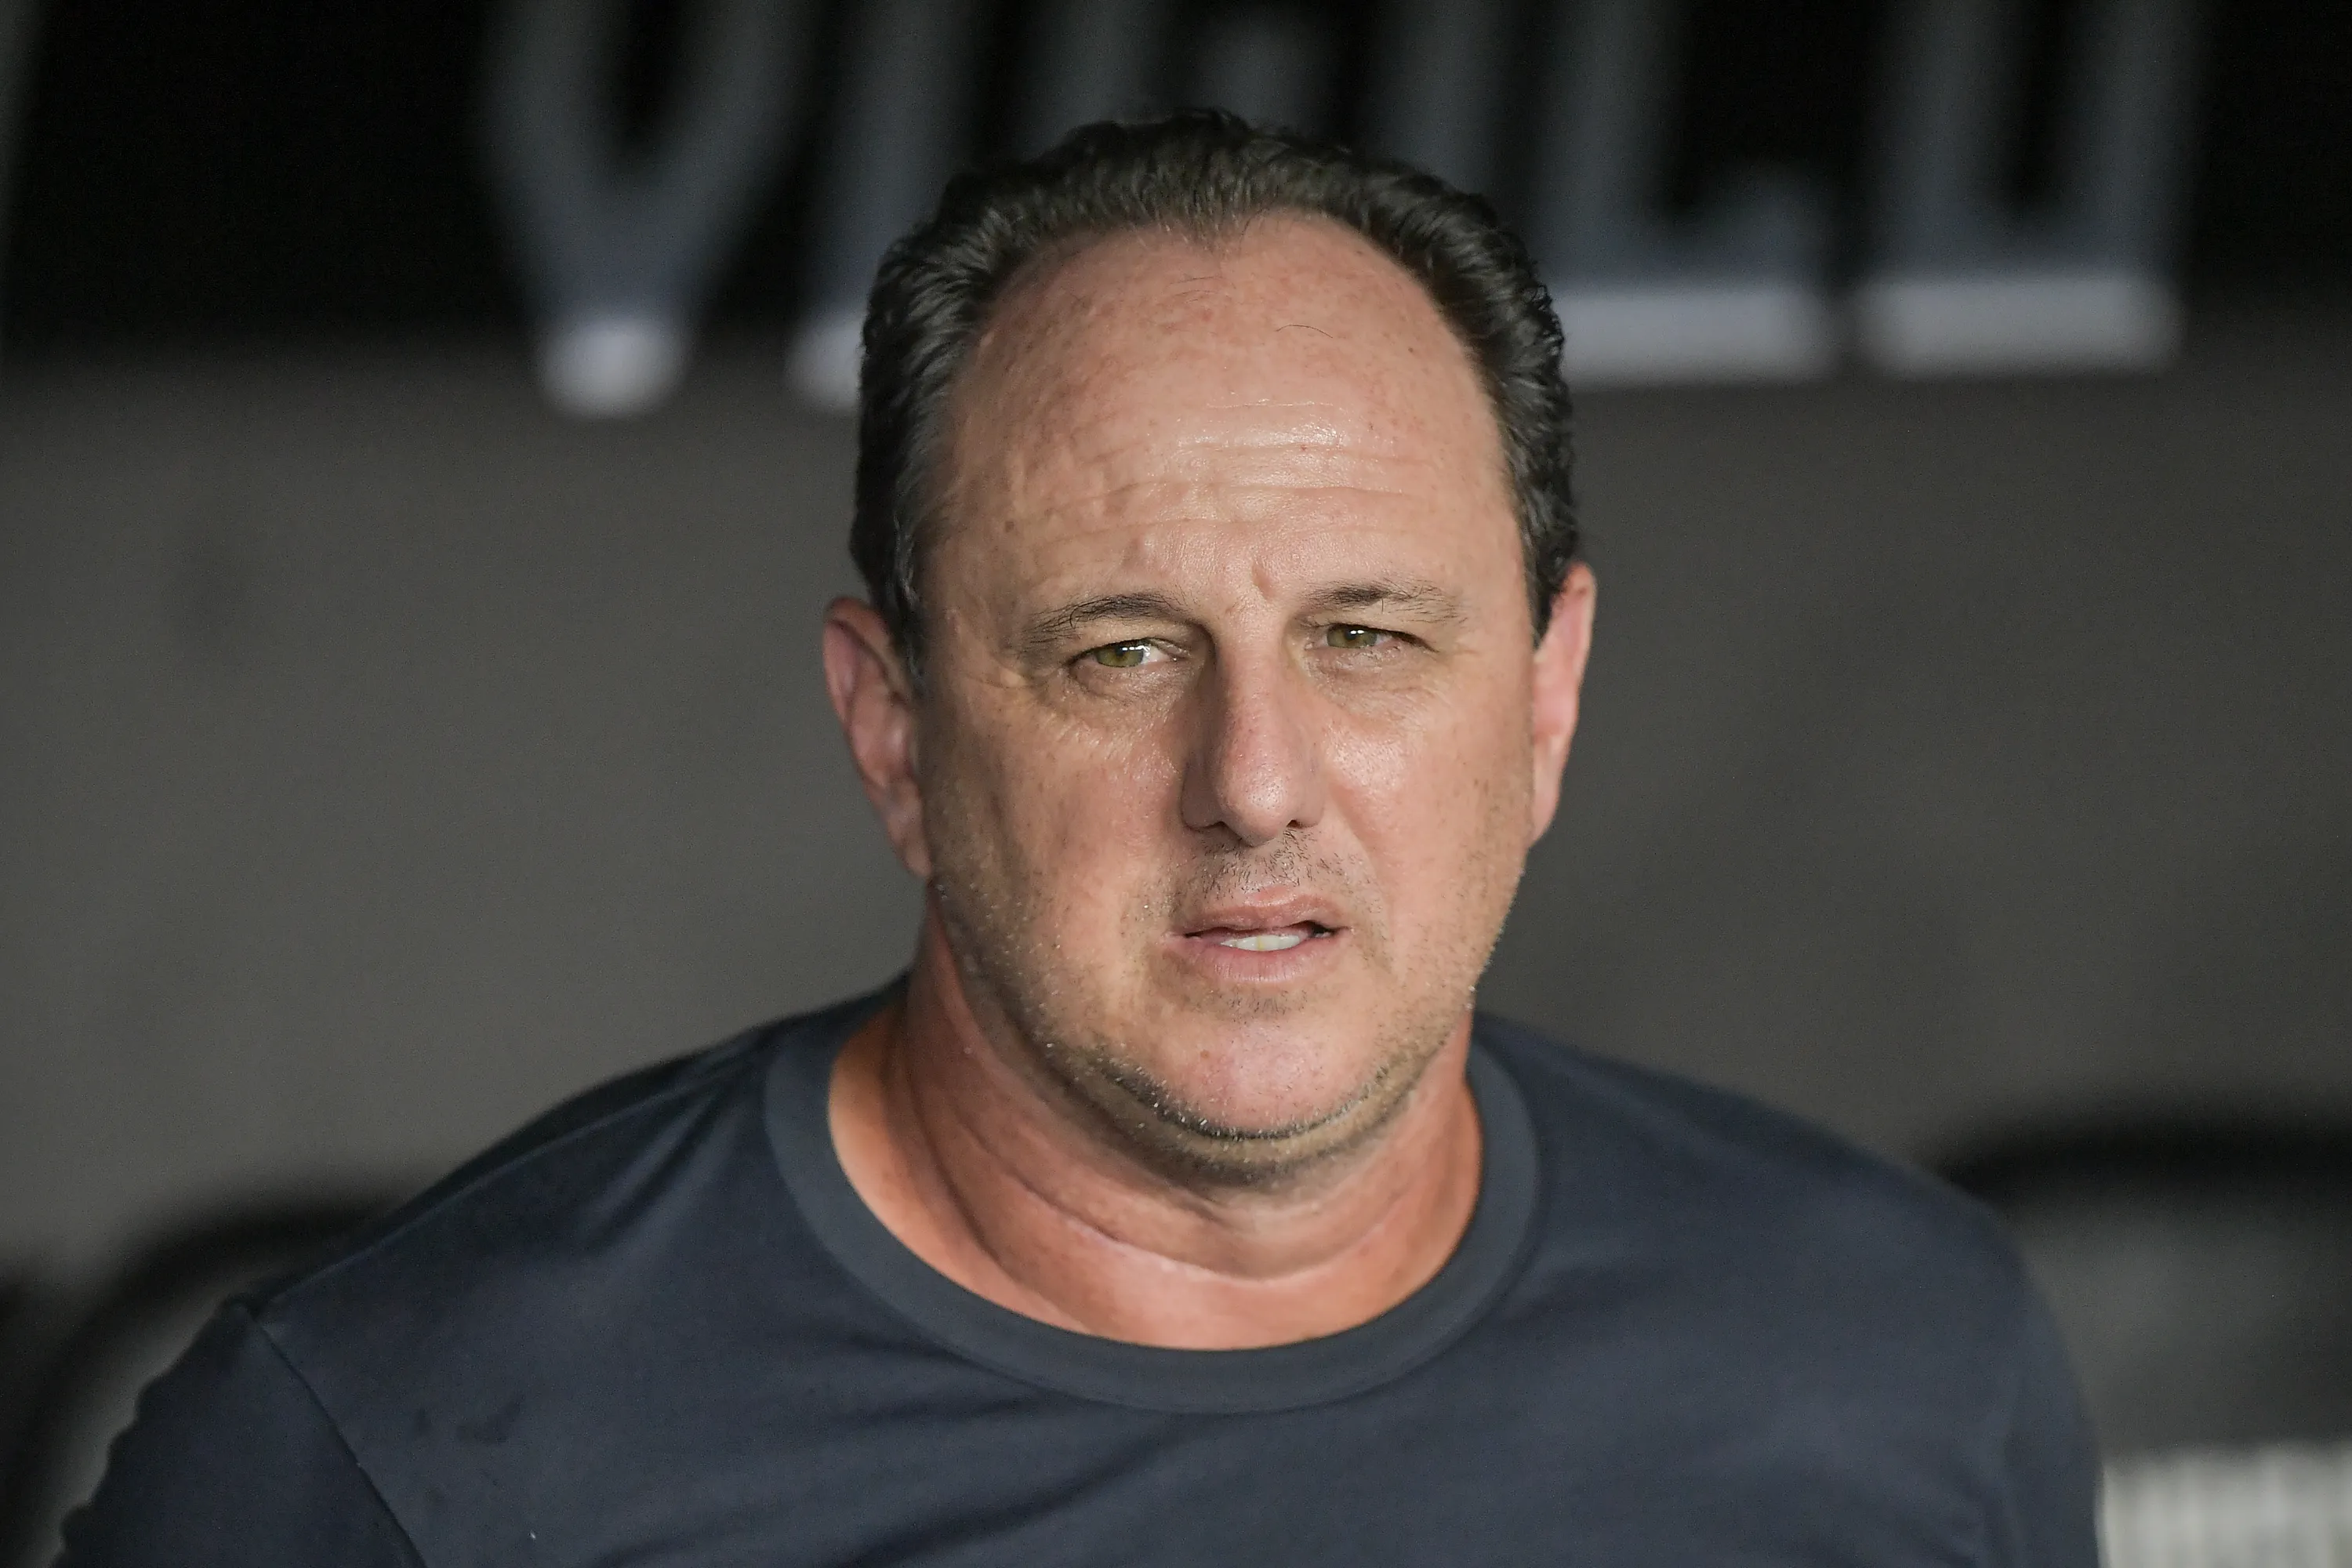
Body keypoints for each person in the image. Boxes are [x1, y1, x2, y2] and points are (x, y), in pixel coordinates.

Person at [64, 112, 2098, 1565]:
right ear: (897, 735)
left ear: (1546, 701)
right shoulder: (400, 1448)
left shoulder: (1895, 1349)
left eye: (1369, 637)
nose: (1257, 776)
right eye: (1121, 651)